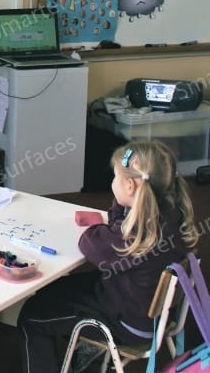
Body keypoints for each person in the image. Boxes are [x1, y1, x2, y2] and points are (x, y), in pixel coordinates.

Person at [17, 140, 199, 373]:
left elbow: (90, 243)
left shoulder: (134, 236)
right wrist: (124, 206)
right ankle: (82, 351)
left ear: (131, 187)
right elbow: (116, 226)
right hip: (148, 311)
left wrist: (115, 212)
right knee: (60, 287)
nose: (112, 183)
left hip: (127, 323)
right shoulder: (170, 213)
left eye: (115, 178)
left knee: (33, 317)